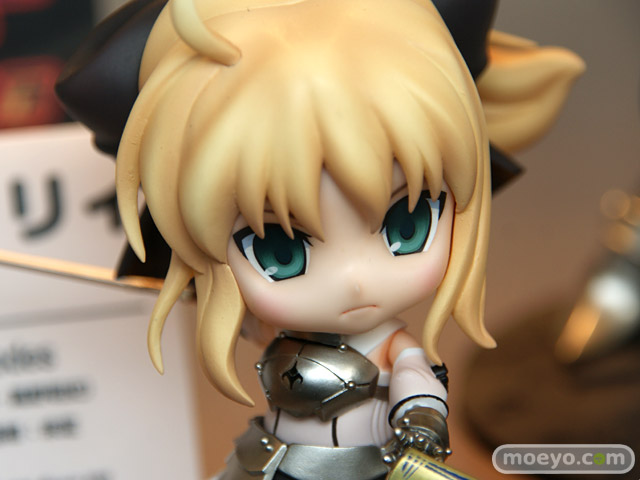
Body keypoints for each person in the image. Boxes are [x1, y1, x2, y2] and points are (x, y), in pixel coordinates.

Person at [109, 0, 583, 478]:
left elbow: (417, 384)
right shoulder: (276, 327)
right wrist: (205, 283)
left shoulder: (390, 346)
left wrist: (421, 418)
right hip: (265, 461)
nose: (354, 279)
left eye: (407, 225)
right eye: (280, 251)